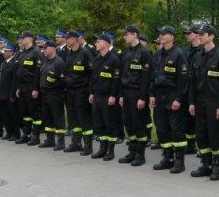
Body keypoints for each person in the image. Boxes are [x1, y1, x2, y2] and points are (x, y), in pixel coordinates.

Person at [188, 24, 219, 180]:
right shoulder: (198, 55)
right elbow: (192, 81)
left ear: (211, 36)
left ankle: (217, 167)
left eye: (202, 33)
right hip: (199, 101)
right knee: (201, 134)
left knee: (215, 135)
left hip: (214, 102)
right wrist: (191, 102)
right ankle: (205, 165)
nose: (199, 36)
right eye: (198, 33)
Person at [150, 26, 190, 174]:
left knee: (176, 129)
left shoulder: (179, 54)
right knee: (162, 128)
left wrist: (178, 99)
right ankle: (167, 158)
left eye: (164, 34)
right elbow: (153, 76)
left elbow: (184, 80)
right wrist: (152, 94)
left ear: (172, 37)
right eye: (160, 34)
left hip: (173, 96)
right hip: (160, 96)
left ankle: (179, 161)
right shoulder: (158, 54)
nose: (160, 36)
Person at [118, 24, 153, 167]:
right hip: (126, 92)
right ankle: (132, 152)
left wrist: (143, 97)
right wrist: (121, 95)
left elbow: (147, 78)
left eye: (126, 34)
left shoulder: (144, 52)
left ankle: (140, 154)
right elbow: (122, 75)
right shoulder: (127, 53)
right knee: (128, 123)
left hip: (137, 93)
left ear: (134, 35)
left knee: (139, 124)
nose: (124, 37)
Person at [89, 33, 121, 161]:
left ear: (107, 43)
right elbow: (93, 78)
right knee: (99, 123)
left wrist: (113, 95)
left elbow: (116, 80)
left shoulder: (114, 60)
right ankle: (102, 148)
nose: (96, 44)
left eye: (99, 42)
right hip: (97, 95)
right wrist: (91, 92)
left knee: (109, 123)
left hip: (108, 97)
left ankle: (110, 150)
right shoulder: (96, 59)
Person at [63, 30, 94, 156]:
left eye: (67, 38)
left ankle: (88, 146)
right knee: (73, 118)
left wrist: (90, 91)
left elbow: (92, 73)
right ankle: (76, 143)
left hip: (82, 91)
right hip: (70, 91)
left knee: (84, 118)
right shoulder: (69, 53)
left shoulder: (85, 53)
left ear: (75, 39)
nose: (66, 40)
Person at [14, 31, 43, 146]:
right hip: (22, 87)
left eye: (24, 38)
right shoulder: (23, 53)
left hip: (31, 86)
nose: (21, 40)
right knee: (24, 112)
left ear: (30, 39)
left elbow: (38, 73)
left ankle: (35, 136)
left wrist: (36, 88)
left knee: (34, 112)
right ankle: (26, 135)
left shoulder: (36, 52)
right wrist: (18, 87)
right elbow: (20, 71)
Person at [39, 40, 67, 150]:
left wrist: (54, 86)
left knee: (58, 117)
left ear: (53, 48)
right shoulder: (46, 61)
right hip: (45, 93)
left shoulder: (59, 62)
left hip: (55, 94)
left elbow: (63, 80)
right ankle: (50, 140)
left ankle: (61, 142)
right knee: (47, 117)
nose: (44, 50)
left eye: (45, 48)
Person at [183, 24, 203, 154]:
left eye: (189, 33)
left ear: (196, 34)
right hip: (187, 88)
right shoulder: (186, 51)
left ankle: (202, 146)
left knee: (200, 120)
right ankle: (190, 145)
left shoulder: (204, 51)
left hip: (199, 89)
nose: (186, 35)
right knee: (188, 118)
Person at [0, 42, 20, 141]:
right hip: (2, 93)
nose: (4, 53)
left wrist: (12, 95)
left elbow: (15, 81)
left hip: (10, 94)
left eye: (6, 51)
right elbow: (0, 80)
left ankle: (16, 134)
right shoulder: (3, 63)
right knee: (5, 115)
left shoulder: (15, 63)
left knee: (13, 115)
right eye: (4, 51)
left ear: (12, 52)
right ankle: (9, 132)